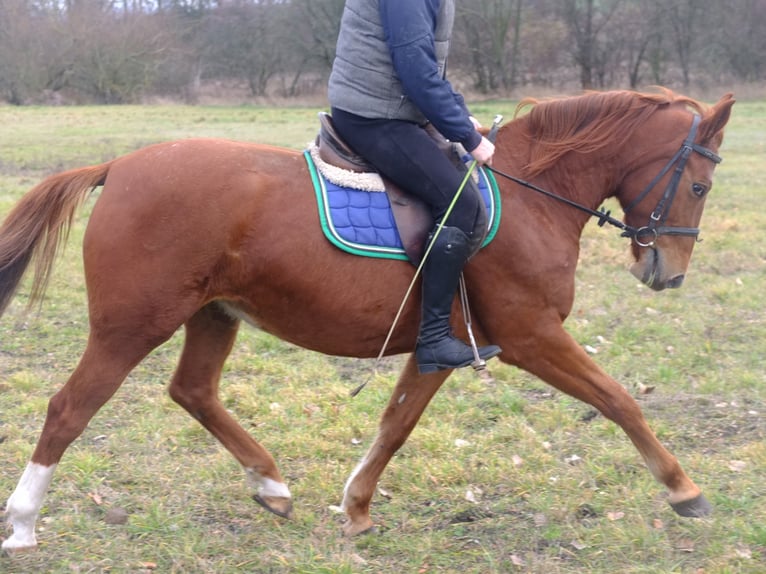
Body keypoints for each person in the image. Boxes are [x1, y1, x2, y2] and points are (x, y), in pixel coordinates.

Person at [328, 0, 502, 374]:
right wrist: (468, 137)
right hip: (374, 116)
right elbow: (415, 68)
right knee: (461, 205)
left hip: (390, 108)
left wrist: (456, 112)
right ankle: (435, 338)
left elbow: (427, 63)